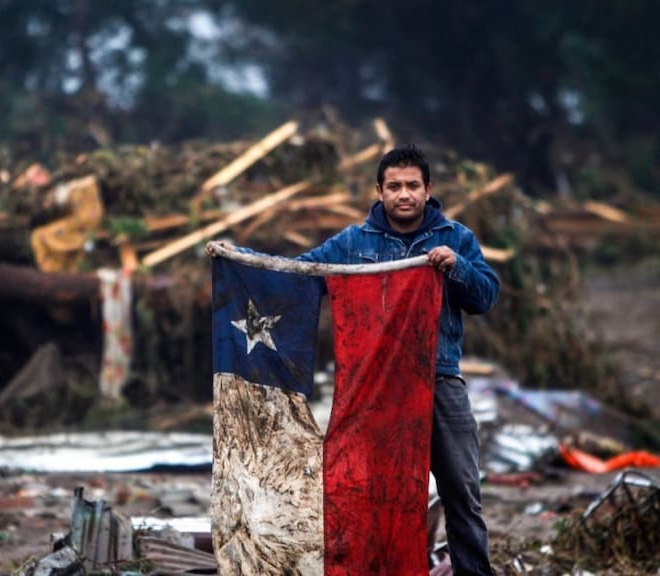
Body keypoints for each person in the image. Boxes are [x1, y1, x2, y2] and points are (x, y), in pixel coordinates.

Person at [209, 144, 499, 575]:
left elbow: (485, 296)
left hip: (438, 381)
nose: (405, 194)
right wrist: (239, 258)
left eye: (413, 186)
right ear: (379, 191)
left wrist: (456, 267)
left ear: (428, 190)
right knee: (372, 492)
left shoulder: (455, 238)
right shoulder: (353, 242)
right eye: (395, 186)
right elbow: (298, 275)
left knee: (461, 490)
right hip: (373, 389)